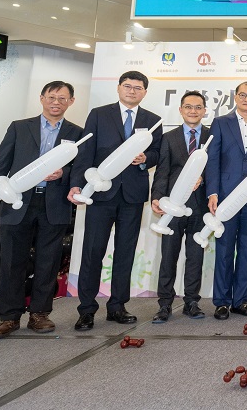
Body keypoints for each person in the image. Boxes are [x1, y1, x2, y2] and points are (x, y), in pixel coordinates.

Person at [0, 82, 83, 340]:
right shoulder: (19, 127)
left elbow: (80, 168)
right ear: (42, 98)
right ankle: (9, 317)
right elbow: (1, 162)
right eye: (52, 97)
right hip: (17, 202)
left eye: (62, 98)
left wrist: (64, 173)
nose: (56, 102)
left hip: (54, 204)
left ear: (71, 102)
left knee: (48, 261)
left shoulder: (77, 132)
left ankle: (40, 314)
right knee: (12, 261)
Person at [69, 71, 162, 331]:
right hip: (101, 194)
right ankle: (86, 309)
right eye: (127, 86)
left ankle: (117, 306)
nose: (132, 91)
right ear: (119, 88)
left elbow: (158, 153)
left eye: (138, 88)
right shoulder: (99, 114)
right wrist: (77, 183)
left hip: (132, 196)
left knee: (125, 253)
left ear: (145, 92)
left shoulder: (153, 120)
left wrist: (146, 159)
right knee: (92, 252)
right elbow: (85, 151)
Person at [205, 81, 247, 320]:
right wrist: (212, 192)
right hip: (225, 197)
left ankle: (241, 301)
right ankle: (222, 302)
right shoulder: (220, 123)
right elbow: (212, 159)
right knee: (224, 249)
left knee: (246, 249)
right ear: (235, 97)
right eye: (243, 95)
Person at [151, 91, 210, 323]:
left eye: (198, 107)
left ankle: (192, 302)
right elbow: (162, 171)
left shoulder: (212, 136)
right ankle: (164, 304)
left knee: (195, 257)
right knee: (169, 256)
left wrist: (203, 178)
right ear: (181, 110)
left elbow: (216, 169)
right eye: (188, 107)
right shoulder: (169, 137)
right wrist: (157, 196)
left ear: (204, 110)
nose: (193, 111)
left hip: (200, 205)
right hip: (173, 205)